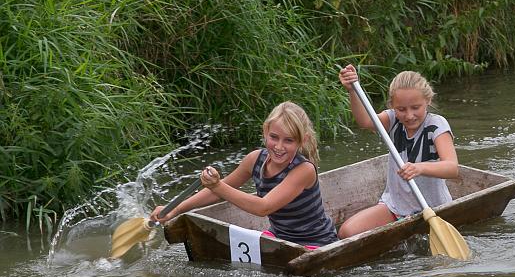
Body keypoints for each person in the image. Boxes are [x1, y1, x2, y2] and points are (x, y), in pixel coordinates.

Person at [150, 101, 338, 247]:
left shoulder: (303, 170)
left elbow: (263, 208)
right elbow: (217, 192)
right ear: (265, 131)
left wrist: (217, 185)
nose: (279, 147)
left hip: (316, 242)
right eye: (274, 137)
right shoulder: (255, 159)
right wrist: (175, 209)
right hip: (280, 237)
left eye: (288, 140)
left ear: (301, 141)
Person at [337, 64, 459, 238]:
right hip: (395, 205)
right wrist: (352, 91)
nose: (409, 115)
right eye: (401, 109)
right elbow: (365, 121)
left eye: (415, 107)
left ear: (428, 101)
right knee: (346, 232)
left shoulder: (436, 125)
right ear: (393, 106)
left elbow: (452, 168)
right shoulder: (393, 119)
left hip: (431, 206)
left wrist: (420, 168)